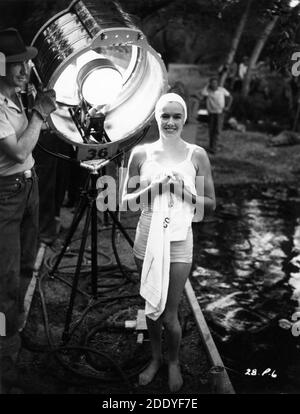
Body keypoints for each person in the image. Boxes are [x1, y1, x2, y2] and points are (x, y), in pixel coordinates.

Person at [122, 93, 216, 392]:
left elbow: (209, 204)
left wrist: (182, 191)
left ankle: (173, 361)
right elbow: (125, 203)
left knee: (170, 312)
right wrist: (154, 187)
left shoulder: (196, 155)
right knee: (151, 304)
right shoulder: (140, 153)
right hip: (146, 237)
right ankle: (154, 358)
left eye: (177, 116)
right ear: (156, 118)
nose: (171, 122)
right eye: (165, 115)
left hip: (178, 241)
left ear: (184, 118)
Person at [0, 27, 56, 392]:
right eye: (17, 64)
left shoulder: (15, 97)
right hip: (5, 193)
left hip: (27, 186)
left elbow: (33, 145)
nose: (24, 70)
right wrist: (38, 114)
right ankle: (5, 362)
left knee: (24, 265)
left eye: (25, 63)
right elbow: (18, 152)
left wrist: (38, 109)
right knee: (3, 279)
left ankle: (16, 333)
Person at [201, 76, 233, 154]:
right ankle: (211, 146)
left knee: (217, 130)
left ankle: (214, 148)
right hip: (211, 113)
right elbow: (203, 93)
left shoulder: (222, 90)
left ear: (217, 84)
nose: (214, 84)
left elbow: (230, 97)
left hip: (220, 113)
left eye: (215, 83)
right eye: (212, 83)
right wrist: (207, 85)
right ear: (210, 84)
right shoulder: (208, 91)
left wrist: (227, 107)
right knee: (211, 130)